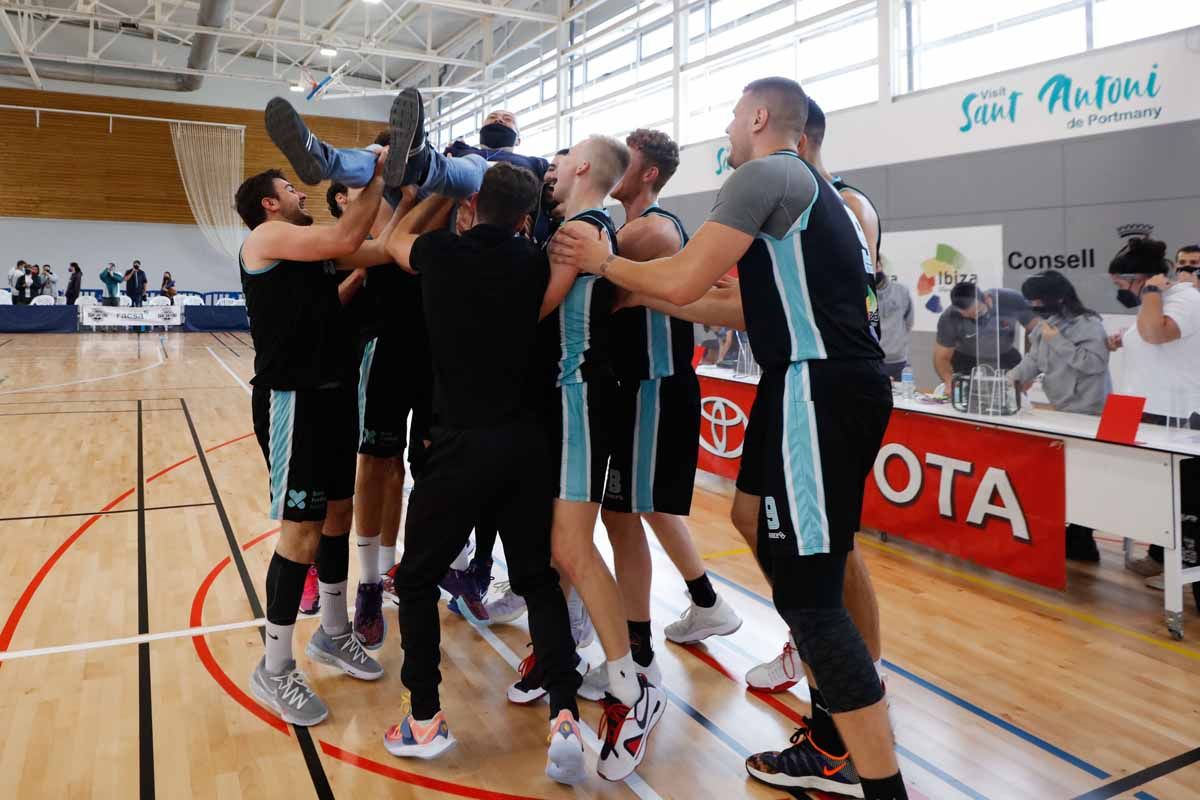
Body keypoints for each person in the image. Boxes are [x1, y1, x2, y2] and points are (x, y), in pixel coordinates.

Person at [551, 77, 907, 800]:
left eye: (730, 117)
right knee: (756, 522)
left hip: (818, 383)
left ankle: (856, 759)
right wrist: (637, 291)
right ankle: (840, 693)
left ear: (758, 117)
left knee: (810, 590)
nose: (724, 129)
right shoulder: (811, 190)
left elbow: (686, 280)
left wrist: (601, 264)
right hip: (804, 377)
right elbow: (747, 306)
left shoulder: (764, 174)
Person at [378, 164, 587, 785]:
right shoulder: (535, 263)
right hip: (526, 445)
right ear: (527, 218)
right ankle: (566, 717)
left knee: (415, 580)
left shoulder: (440, 252)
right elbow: (562, 278)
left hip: (458, 443)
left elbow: (392, 240)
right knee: (539, 582)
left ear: (472, 206)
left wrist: (425, 195)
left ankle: (423, 719)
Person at [234, 159, 399, 726]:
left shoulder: (312, 250)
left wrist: (423, 195)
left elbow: (382, 249)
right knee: (300, 529)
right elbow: (353, 235)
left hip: (332, 395)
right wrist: (381, 172)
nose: (300, 192)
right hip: (294, 399)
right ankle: (274, 667)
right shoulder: (267, 237)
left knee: (337, 513)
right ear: (267, 204)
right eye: (288, 188)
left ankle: (333, 632)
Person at [742, 96, 891, 704]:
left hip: (825, 378)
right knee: (748, 516)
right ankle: (816, 640)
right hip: (790, 373)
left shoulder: (839, 203)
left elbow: (852, 304)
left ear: (795, 138)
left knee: (832, 546)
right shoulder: (792, 199)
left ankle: (856, 673)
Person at [539, 134, 668, 782]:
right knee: (561, 547)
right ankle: (579, 663)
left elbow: (535, 307)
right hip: (567, 397)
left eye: (561, 161)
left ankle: (631, 687)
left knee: (573, 548)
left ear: (583, 167)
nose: (550, 169)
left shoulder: (586, 225)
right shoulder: (574, 224)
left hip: (582, 393)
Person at [599, 127, 742, 667]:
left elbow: (594, 287)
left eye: (625, 161)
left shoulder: (651, 232)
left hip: (654, 386)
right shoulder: (633, 228)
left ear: (649, 173)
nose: (615, 169)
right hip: (642, 386)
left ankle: (636, 651)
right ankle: (705, 602)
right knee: (646, 507)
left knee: (621, 514)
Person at [1108, 237, 1200, 581]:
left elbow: (1155, 336)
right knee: (1139, 494)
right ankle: (1163, 560)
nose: (1122, 290)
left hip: (1173, 416)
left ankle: (1184, 573)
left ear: (1144, 278)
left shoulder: (1186, 299)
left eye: (1122, 283)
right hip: (1130, 409)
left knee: (1185, 505)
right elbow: (1145, 345)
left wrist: (1150, 294)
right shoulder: (1152, 302)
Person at [1013, 271, 1111, 562]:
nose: (1034, 305)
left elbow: (1094, 364)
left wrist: (1058, 342)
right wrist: (1005, 381)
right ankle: (1065, 533)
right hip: (1060, 412)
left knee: (1087, 478)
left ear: (1058, 297)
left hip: (1089, 412)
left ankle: (1083, 538)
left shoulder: (1089, 325)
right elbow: (1032, 362)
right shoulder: (1045, 325)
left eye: (1039, 299)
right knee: (1061, 476)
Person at [933, 282, 1032, 391]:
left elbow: (1037, 329)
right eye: (968, 317)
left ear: (987, 299)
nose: (976, 319)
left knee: (1014, 396)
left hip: (1004, 354)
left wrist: (1030, 367)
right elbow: (942, 358)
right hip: (966, 357)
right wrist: (949, 382)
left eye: (979, 313)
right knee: (965, 397)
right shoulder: (949, 317)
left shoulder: (1011, 300)